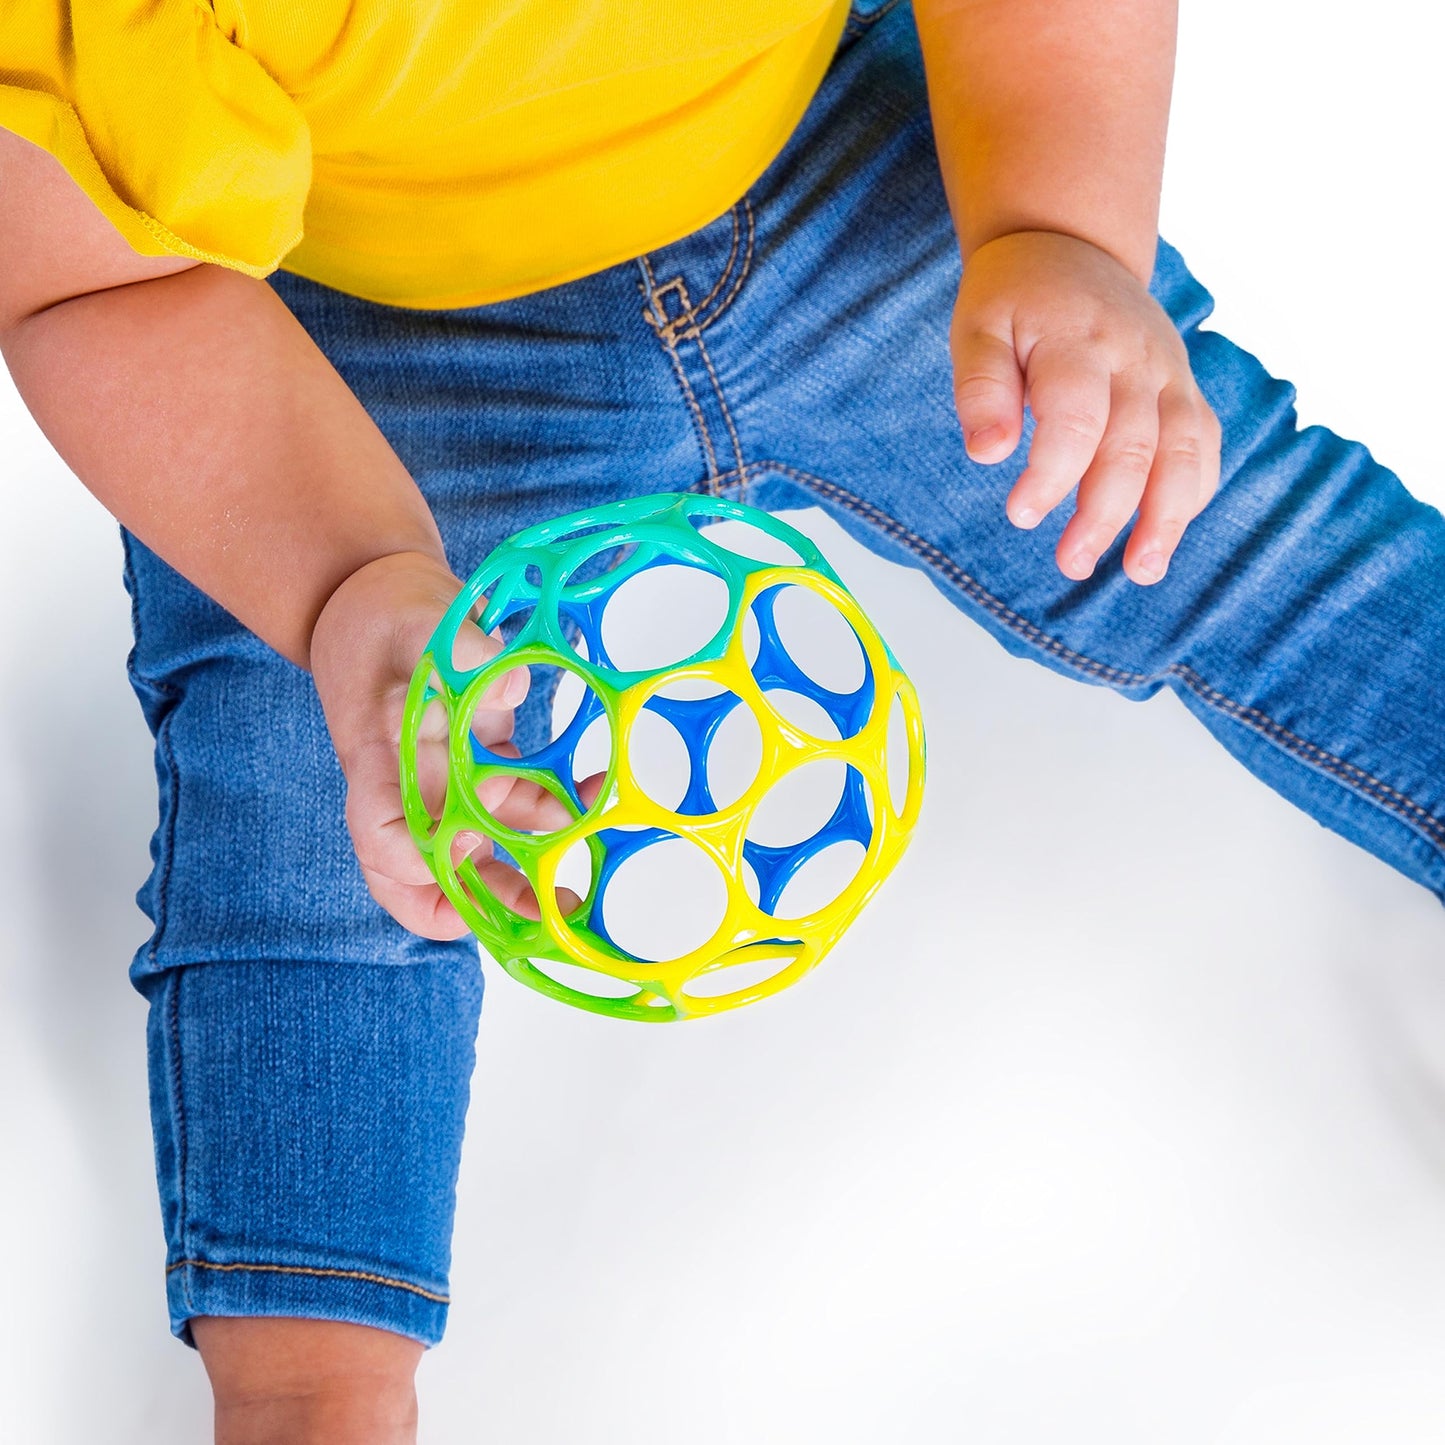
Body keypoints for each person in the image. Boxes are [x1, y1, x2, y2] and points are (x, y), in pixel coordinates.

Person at [2, 0, 1441, 1439]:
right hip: (361, 349)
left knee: (1216, 516)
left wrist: (1060, 227)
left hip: (839, 163)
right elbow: (92, 285)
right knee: (323, 800)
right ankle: (312, 1391)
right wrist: (341, 580)